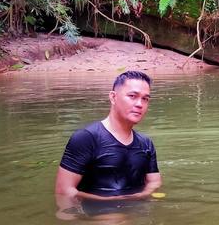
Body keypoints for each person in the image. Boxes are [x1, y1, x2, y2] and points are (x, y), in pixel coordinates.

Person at [55, 71, 162, 215]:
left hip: (137, 209)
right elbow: (64, 191)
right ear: (113, 97)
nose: (139, 104)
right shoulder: (86, 138)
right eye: (132, 96)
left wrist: (139, 196)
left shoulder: (146, 143)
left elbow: (154, 182)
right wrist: (112, 202)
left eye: (145, 99)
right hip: (97, 212)